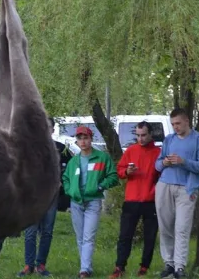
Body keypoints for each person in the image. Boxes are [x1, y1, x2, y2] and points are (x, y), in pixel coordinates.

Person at [155, 108, 199, 279]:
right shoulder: (169, 139)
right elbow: (157, 165)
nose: (175, 127)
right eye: (173, 124)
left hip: (187, 188)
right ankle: (169, 264)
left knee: (182, 228)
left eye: (178, 123)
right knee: (165, 227)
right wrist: (165, 162)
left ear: (187, 120)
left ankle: (180, 267)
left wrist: (183, 162)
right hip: (165, 185)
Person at [18, 116, 73, 277]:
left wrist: (62, 182)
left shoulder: (61, 148)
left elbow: (70, 169)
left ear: (52, 130)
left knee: (47, 232)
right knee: (30, 232)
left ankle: (41, 264)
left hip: (51, 197)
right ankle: (28, 265)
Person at [63, 126, 119, 278]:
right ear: (77, 141)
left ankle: (84, 270)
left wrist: (100, 186)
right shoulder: (74, 161)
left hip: (93, 201)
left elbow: (113, 176)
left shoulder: (102, 157)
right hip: (76, 202)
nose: (83, 141)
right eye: (80, 138)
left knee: (88, 236)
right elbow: (66, 179)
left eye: (85, 138)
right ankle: (86, 267)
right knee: (80, 237)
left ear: (91, 139)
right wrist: (70, 191)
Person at [109, 121, 161, 278]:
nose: (140, 138)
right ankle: (119, 267)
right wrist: (127, 171)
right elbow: (119, 170)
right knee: (125, 235)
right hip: (131, 199)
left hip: (150, 200)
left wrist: (157, 189)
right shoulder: (131, 150)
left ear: (150, 134)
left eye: (143, 135)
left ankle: (144, 267)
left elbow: (163, 175)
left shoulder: (158, 152)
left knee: (150, 236)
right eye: (137, 135)